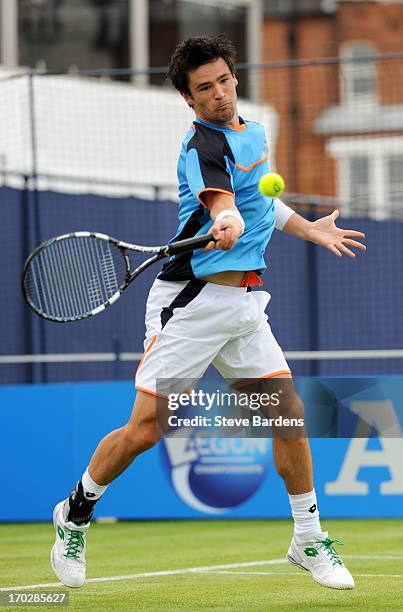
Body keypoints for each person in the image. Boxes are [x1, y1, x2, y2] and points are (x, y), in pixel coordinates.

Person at [51, 35, 366, 590]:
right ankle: (75, 510)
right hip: (191, 307)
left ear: (234, 78)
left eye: (223, 80)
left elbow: (258, 199)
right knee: (147, 430)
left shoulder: (255, 134)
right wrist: (225, 222)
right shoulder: (201, 148)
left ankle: (308, 537)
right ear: (188, 99)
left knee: (289, 414)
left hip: (244, 306)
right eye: (204, 88)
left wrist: (307, 227)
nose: (218, 94)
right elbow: (224, 203)